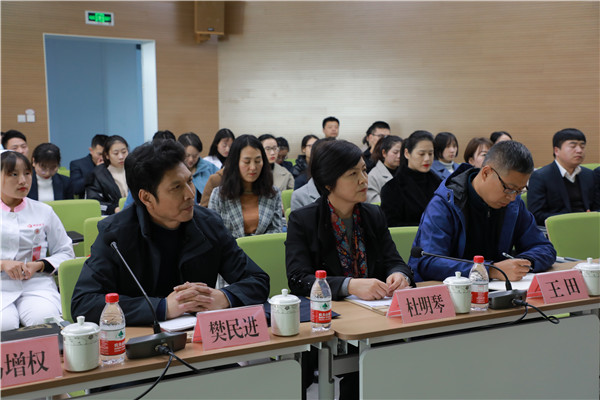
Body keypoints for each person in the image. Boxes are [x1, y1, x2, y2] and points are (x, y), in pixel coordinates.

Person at [71, 140, 269, 325]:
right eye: (176, 187)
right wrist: (162, 307)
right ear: (146, 198)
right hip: (142, 340)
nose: (190, 194)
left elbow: (257, 280)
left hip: (200, 338)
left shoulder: (209, 224)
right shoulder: (115, 235)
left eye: (189, 181)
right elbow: (84, 303)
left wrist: (225, 297)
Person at [409, 141, 556, 282]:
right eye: (509, 189)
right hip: (448, 291)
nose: (512, 197)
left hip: (497, 290)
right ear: (486, 173)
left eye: (519, 190)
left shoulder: (513, 204)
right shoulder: (445, 203)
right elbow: (429, 262)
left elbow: (544, 247)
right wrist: (490, 270)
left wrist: (524, 263)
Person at [286, 139, 414, 300]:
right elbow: (298, 279)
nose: (363, 179)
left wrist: (399, 275)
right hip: (329, 309)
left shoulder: (373, 214)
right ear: (328, 183)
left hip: (375, 306)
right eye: (353, 174)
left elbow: (394, 261)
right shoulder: (303, 220)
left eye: (364, 170)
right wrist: (349, 286)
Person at [1, 151, 74, 331]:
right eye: (13, 174)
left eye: (27, 173)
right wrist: (3, 264)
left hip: (36, 284)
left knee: (44, 321)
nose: (23, 181)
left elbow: (66, 252)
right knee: (4, 325)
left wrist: (40, 265)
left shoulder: (44, 211)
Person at [208, 135, 283, 238]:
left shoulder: (273, 193)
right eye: (246, 162)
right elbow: (214, 233)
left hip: (264, 247)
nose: (253, 167)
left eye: (257, 161)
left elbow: (276, 230)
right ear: (235, 163)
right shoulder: (219, 195)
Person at [528, 128, 599, 225]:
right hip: (558, 228)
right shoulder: (540, 176)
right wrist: (571, 219)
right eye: (573, 146)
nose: (579, 150)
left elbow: (597, 207)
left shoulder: (590, 175)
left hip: (589, 225)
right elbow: (536, 215)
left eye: (582, 146)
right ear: (556, 150)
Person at [380, 131, 441, 227]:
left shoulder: (439, 183)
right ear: (407, 153)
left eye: (430, 153)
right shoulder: (391, 188)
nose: (427, 159)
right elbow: (391, 226)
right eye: (421, 154)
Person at [85, 135, 129, 215]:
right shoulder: (97, 174)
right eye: (116, 153)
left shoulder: (135, 169)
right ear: (106, 155)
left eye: (124, 152)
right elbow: (94, 202)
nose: (121, 157)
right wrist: (113, 209)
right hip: (112, 216)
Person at [177, 132, 219, 203]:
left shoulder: (209, 168)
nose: (191, 159)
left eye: (195, 156)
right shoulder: (174, 170)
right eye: (187, 155)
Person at [367, 135, 402, 204]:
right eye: (395, 152)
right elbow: (374, 203)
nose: (399, 156)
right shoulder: (373, 176)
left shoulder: (405, 172)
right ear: (384, 153)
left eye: (402, 152)